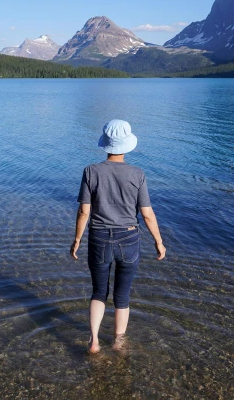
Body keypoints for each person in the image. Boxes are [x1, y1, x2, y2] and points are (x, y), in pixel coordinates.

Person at [70, 119, 166, 354]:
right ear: (126, 145)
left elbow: (84, 211)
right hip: (129, 239)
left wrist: (76, 240)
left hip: (99, 238)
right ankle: (119, 341)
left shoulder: (91, 171)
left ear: (105, 145)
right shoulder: (137, 174)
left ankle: (94, 341)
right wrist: (159, 241)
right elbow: (147, 214)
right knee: (122, 295)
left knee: (98, 292)